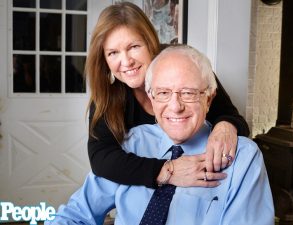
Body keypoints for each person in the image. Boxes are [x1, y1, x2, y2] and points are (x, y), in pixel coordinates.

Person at [47, 45, 273, 225]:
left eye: (188, 93)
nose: (175, 107)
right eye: (163, 93)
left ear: (209, 98)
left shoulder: (241, 158)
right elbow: (75, 215)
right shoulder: (132, 143)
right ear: (151, 97)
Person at [86, 2, 250, 189]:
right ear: (104, 60)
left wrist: (225, 126)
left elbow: (235, 119)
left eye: (133, 47)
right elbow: (101, 158)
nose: (126, 61)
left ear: (149, 42)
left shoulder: (186, 66)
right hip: (143, 194)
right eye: (113, 53)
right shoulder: (107, 97)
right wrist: (167, 171)